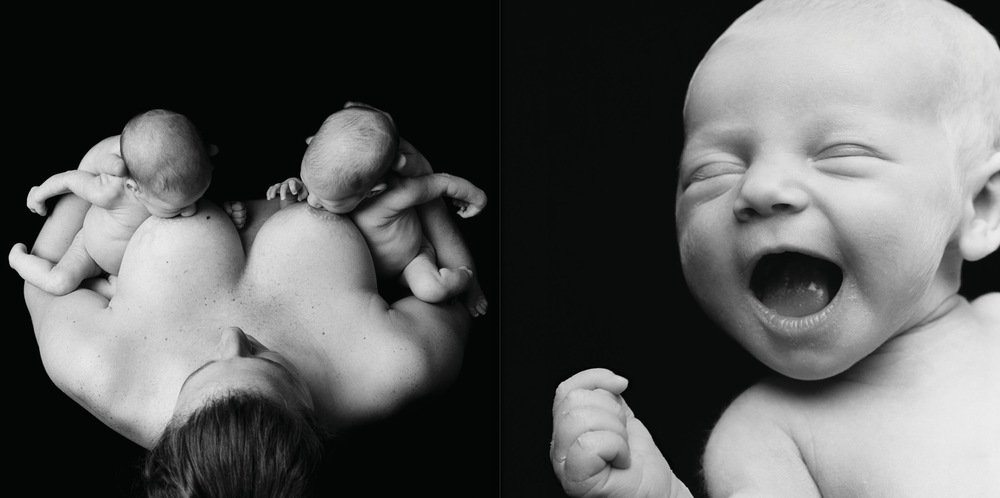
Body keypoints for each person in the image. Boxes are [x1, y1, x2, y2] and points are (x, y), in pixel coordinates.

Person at [550, 0, 1000, 496]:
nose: (759, 188)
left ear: (978, 206)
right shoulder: (765, 437)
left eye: (840, 155)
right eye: (713, 171)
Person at [21, 127, 473, 495]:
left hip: (157, 146)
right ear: (316, 425)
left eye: (201, 371)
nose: (232, 335)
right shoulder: (399, 367)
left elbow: (44, 283)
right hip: (344, 155)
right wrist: (421, 184)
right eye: (264, 360)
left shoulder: (99, 371)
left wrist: (102, 169)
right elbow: (456, 284)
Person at [254, 102, 489, 317]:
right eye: (309, 184)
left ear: (372, 192)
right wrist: (293, 187)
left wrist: (475, 197)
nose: (313, 201)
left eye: (325, 200)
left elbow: (441, 182)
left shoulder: (396, 194)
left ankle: (464, 277)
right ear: (310, 142)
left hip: (409, 261)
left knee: (431, 289)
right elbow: (311, 194)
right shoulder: (329, 184)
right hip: (364, 276)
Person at [9, 109, 213, 297]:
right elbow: (70, 179)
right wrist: (39, 193)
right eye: (178, 208)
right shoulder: (110, 192)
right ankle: (17, 260)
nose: (191, 211)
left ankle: (103, 287)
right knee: (60, 283)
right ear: (134, 189)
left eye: (197, 199)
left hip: (124, 272)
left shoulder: (174, 190)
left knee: (130, 294)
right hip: (89, 252)